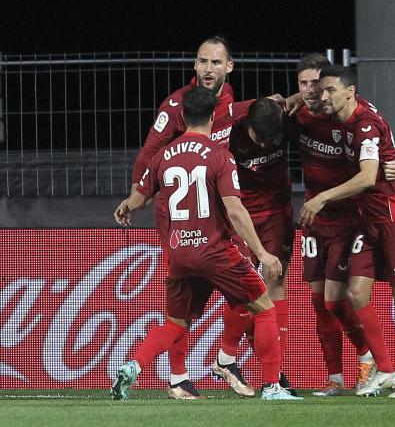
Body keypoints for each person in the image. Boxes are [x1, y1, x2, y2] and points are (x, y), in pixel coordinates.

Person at [111, 86, 302, 401]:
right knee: (264, 308)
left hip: (180, 255)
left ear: (183, 116)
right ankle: (272, 387)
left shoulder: (162, 157)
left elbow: (140, 198)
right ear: (214, 116)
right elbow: (236, 211)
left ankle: (135, 363)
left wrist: (126, 206)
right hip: (216, 252)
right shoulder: (219, 156)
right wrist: (262, 252)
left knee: (175, 324)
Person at [299, 65, 395, 399]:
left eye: (329, 90)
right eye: (321, 90)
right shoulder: (347, 118)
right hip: (367, 220)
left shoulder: (364, 124)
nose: (323, 96)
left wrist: (322, 197)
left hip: (394, 216)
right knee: (355, 294)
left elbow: (369, 176)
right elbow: (389, 151)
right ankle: (385, 370)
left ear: (349, 92)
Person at [216, 97, 297, 395]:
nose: (264, 146)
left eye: (271, 141)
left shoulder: (284, 117)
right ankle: (227, 355)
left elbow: (298, 100)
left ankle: (275, 373)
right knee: (246, 288)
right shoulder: (227, 131)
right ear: (247, 125)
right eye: (258, 139)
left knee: (275, 282)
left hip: (277, 211)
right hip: (241, 214)